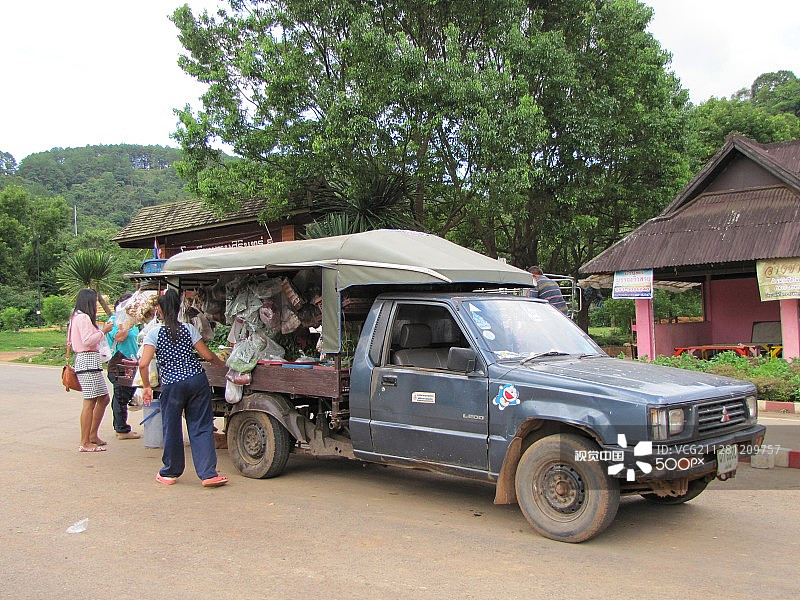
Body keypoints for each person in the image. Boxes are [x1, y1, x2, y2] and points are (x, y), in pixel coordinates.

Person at [138, 289, 229, 487]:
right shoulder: (189, 328)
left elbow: (143, 364)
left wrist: (146, 386)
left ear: (160, 310)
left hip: (172, 385)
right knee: (201, 427)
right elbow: (208, 356)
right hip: (196, 381)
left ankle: (170, 472)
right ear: (179, 308)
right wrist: (224, 365)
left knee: (172, 427)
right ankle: (208, 474)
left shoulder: (154, 333)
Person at [69, 288, 114, 452]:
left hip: (91, 362)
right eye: (94, 302)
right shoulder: (83, 318)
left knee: (103, 398)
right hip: (87, 361)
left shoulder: (77, 317)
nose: (96, 305)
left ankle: (92, 435)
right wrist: (103, 332)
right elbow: (88, 340)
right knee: (90, 401)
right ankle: (85, 441)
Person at [106, 293, 141, 440]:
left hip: (131, 362)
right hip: (120, 363)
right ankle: (121, 429)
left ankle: (121, 426)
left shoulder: (131, 322)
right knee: (121, 396)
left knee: (125, 395)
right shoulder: (114, 321)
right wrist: (126, 324)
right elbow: (120, 337)